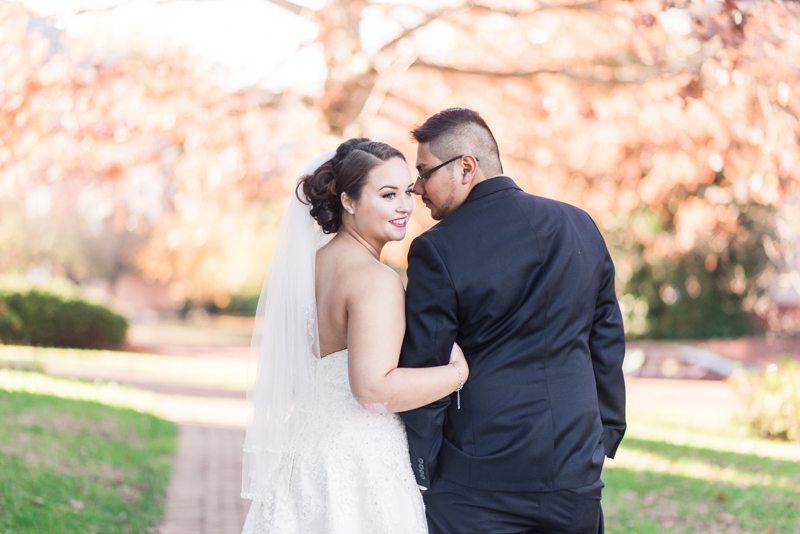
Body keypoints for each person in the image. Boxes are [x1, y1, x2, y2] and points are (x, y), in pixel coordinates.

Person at [399, 108, 627, 534]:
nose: (417, 187)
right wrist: (604, 434)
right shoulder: (579, 224)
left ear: (467, 167)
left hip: (476, 482)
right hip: (574, 467)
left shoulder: (436, 249)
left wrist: (423, 469)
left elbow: (426, 367)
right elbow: (607, 339)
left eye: (425, 172)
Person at [240, 138, 468, 534]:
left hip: (303, 455)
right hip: (360, 463)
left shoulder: (306, 268)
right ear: (348, 201)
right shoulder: (376, 281)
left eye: (406, 192)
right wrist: (458, 374)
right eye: (387, 194)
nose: (404, 205)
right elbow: (373, 390)